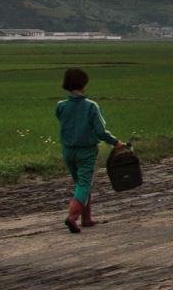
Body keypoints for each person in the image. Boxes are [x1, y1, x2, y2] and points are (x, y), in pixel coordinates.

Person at [54, 66, 129, 234]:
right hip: (86, 151)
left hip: (67, 151)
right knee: (84, 184)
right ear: (84, 84)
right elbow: (100, 131)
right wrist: (115, 142)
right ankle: (72, 217)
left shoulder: (60, 106)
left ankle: (86, 219)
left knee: (80, 184)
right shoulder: (91, 106)